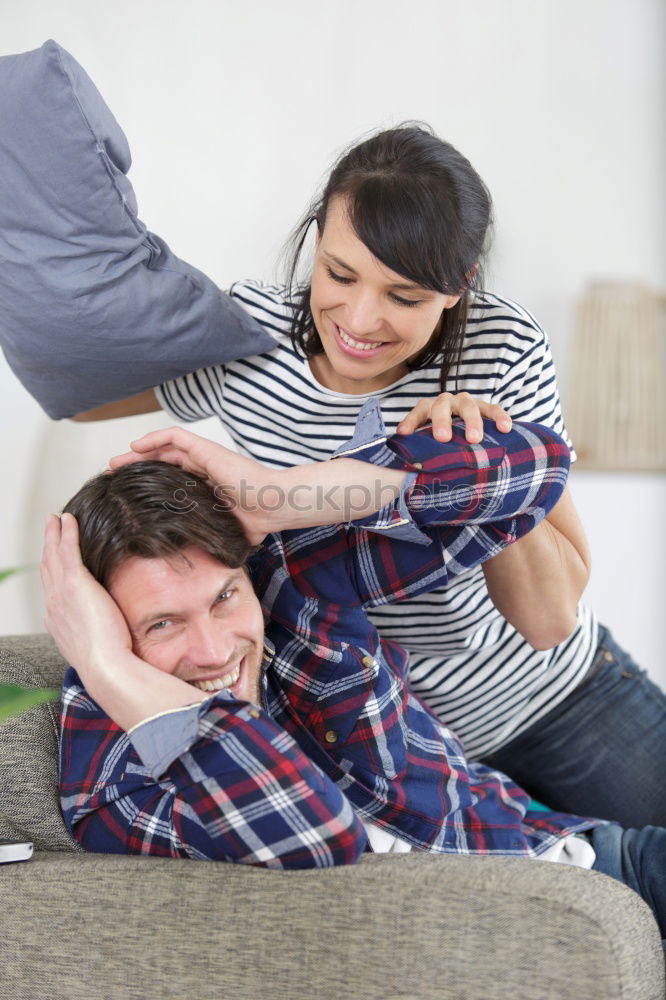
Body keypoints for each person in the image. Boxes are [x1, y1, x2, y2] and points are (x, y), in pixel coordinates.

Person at [72, 124, 665, 828]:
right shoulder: (250, 338)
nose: (359, 320)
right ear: (317, 240)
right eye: (340, 274)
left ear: (460, 286)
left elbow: (546, 619)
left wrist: (483, 458)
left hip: (557, 700)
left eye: (404, 297)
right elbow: (74, 394)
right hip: (391, 751)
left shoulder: (499, 346)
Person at [46, 411, 665, 940]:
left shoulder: (288, 587)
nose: (214, 651)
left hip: (594, 862)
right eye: (161, 625)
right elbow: (319, 836)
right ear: (95, 623)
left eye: (223, 596)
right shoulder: (112, 784)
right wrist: (107, 669)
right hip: (518, 941)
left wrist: (280, 498)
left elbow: (535, 462)